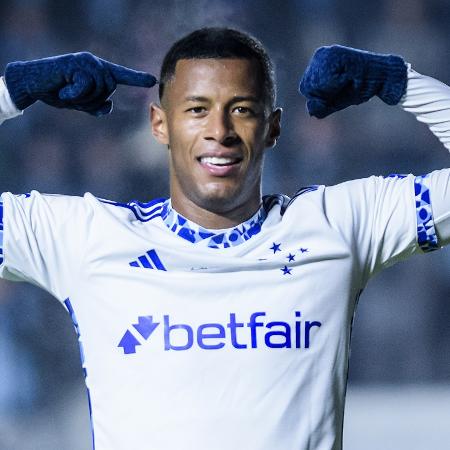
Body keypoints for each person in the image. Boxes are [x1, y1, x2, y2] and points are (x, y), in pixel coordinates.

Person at [0, 27, 449, 450]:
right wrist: (14, 90)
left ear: (273, 127)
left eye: (242, 109)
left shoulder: (337, 225)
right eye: (197, 109)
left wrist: (399, 82)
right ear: (159, 124)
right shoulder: (86, 239)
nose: (220, 131)